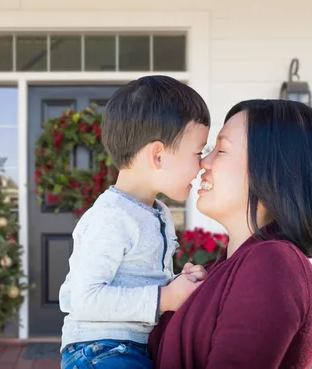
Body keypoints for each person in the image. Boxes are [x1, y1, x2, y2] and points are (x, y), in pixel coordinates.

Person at [147, 99, 312, 369]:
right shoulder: (222, 268)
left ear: (271, 169)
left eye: (222, 150)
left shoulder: (275, 263)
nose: (203, 161)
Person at [59, 75, 212, 369]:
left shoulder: (158, 212)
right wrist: (164, 298)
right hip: (99, 351)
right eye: (198, 152)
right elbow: (84, 299)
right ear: (157, 155)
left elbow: (140, 281)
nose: (203, 163)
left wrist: (178, 284)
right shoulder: (111, 217)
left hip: (134, 348)